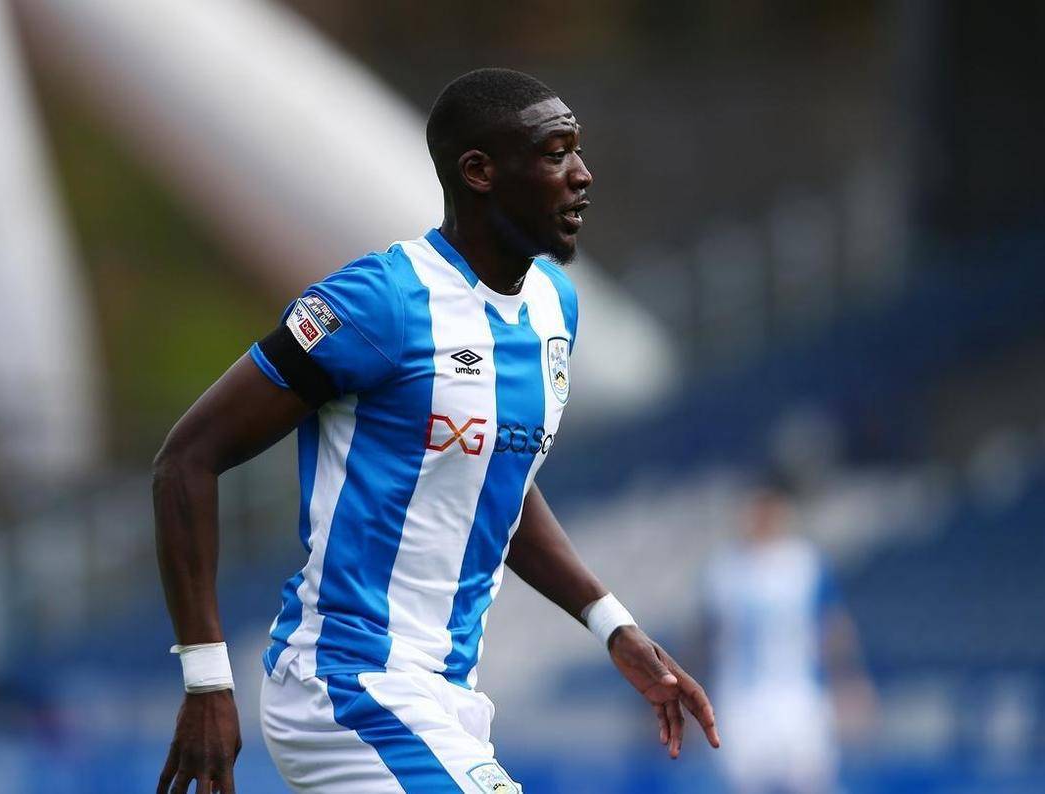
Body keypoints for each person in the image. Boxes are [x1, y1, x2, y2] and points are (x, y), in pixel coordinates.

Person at [152, 68, 720, 793]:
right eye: (555, 154)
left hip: (450, 697)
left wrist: (612, 623)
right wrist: (206, 680)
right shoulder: (379, 303)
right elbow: (185, 460)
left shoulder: (556, 308)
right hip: (347, 685)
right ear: (479, 172)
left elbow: (494, 481)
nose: (583, 174)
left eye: (577, 151)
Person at [702, 473, 875, 794]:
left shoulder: (804, 564)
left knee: (811, 782)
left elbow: (832, 626)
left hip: (798, 695)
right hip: (742, 700)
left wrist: (849, 683)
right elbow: (706, 637)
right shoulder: (723, 570)